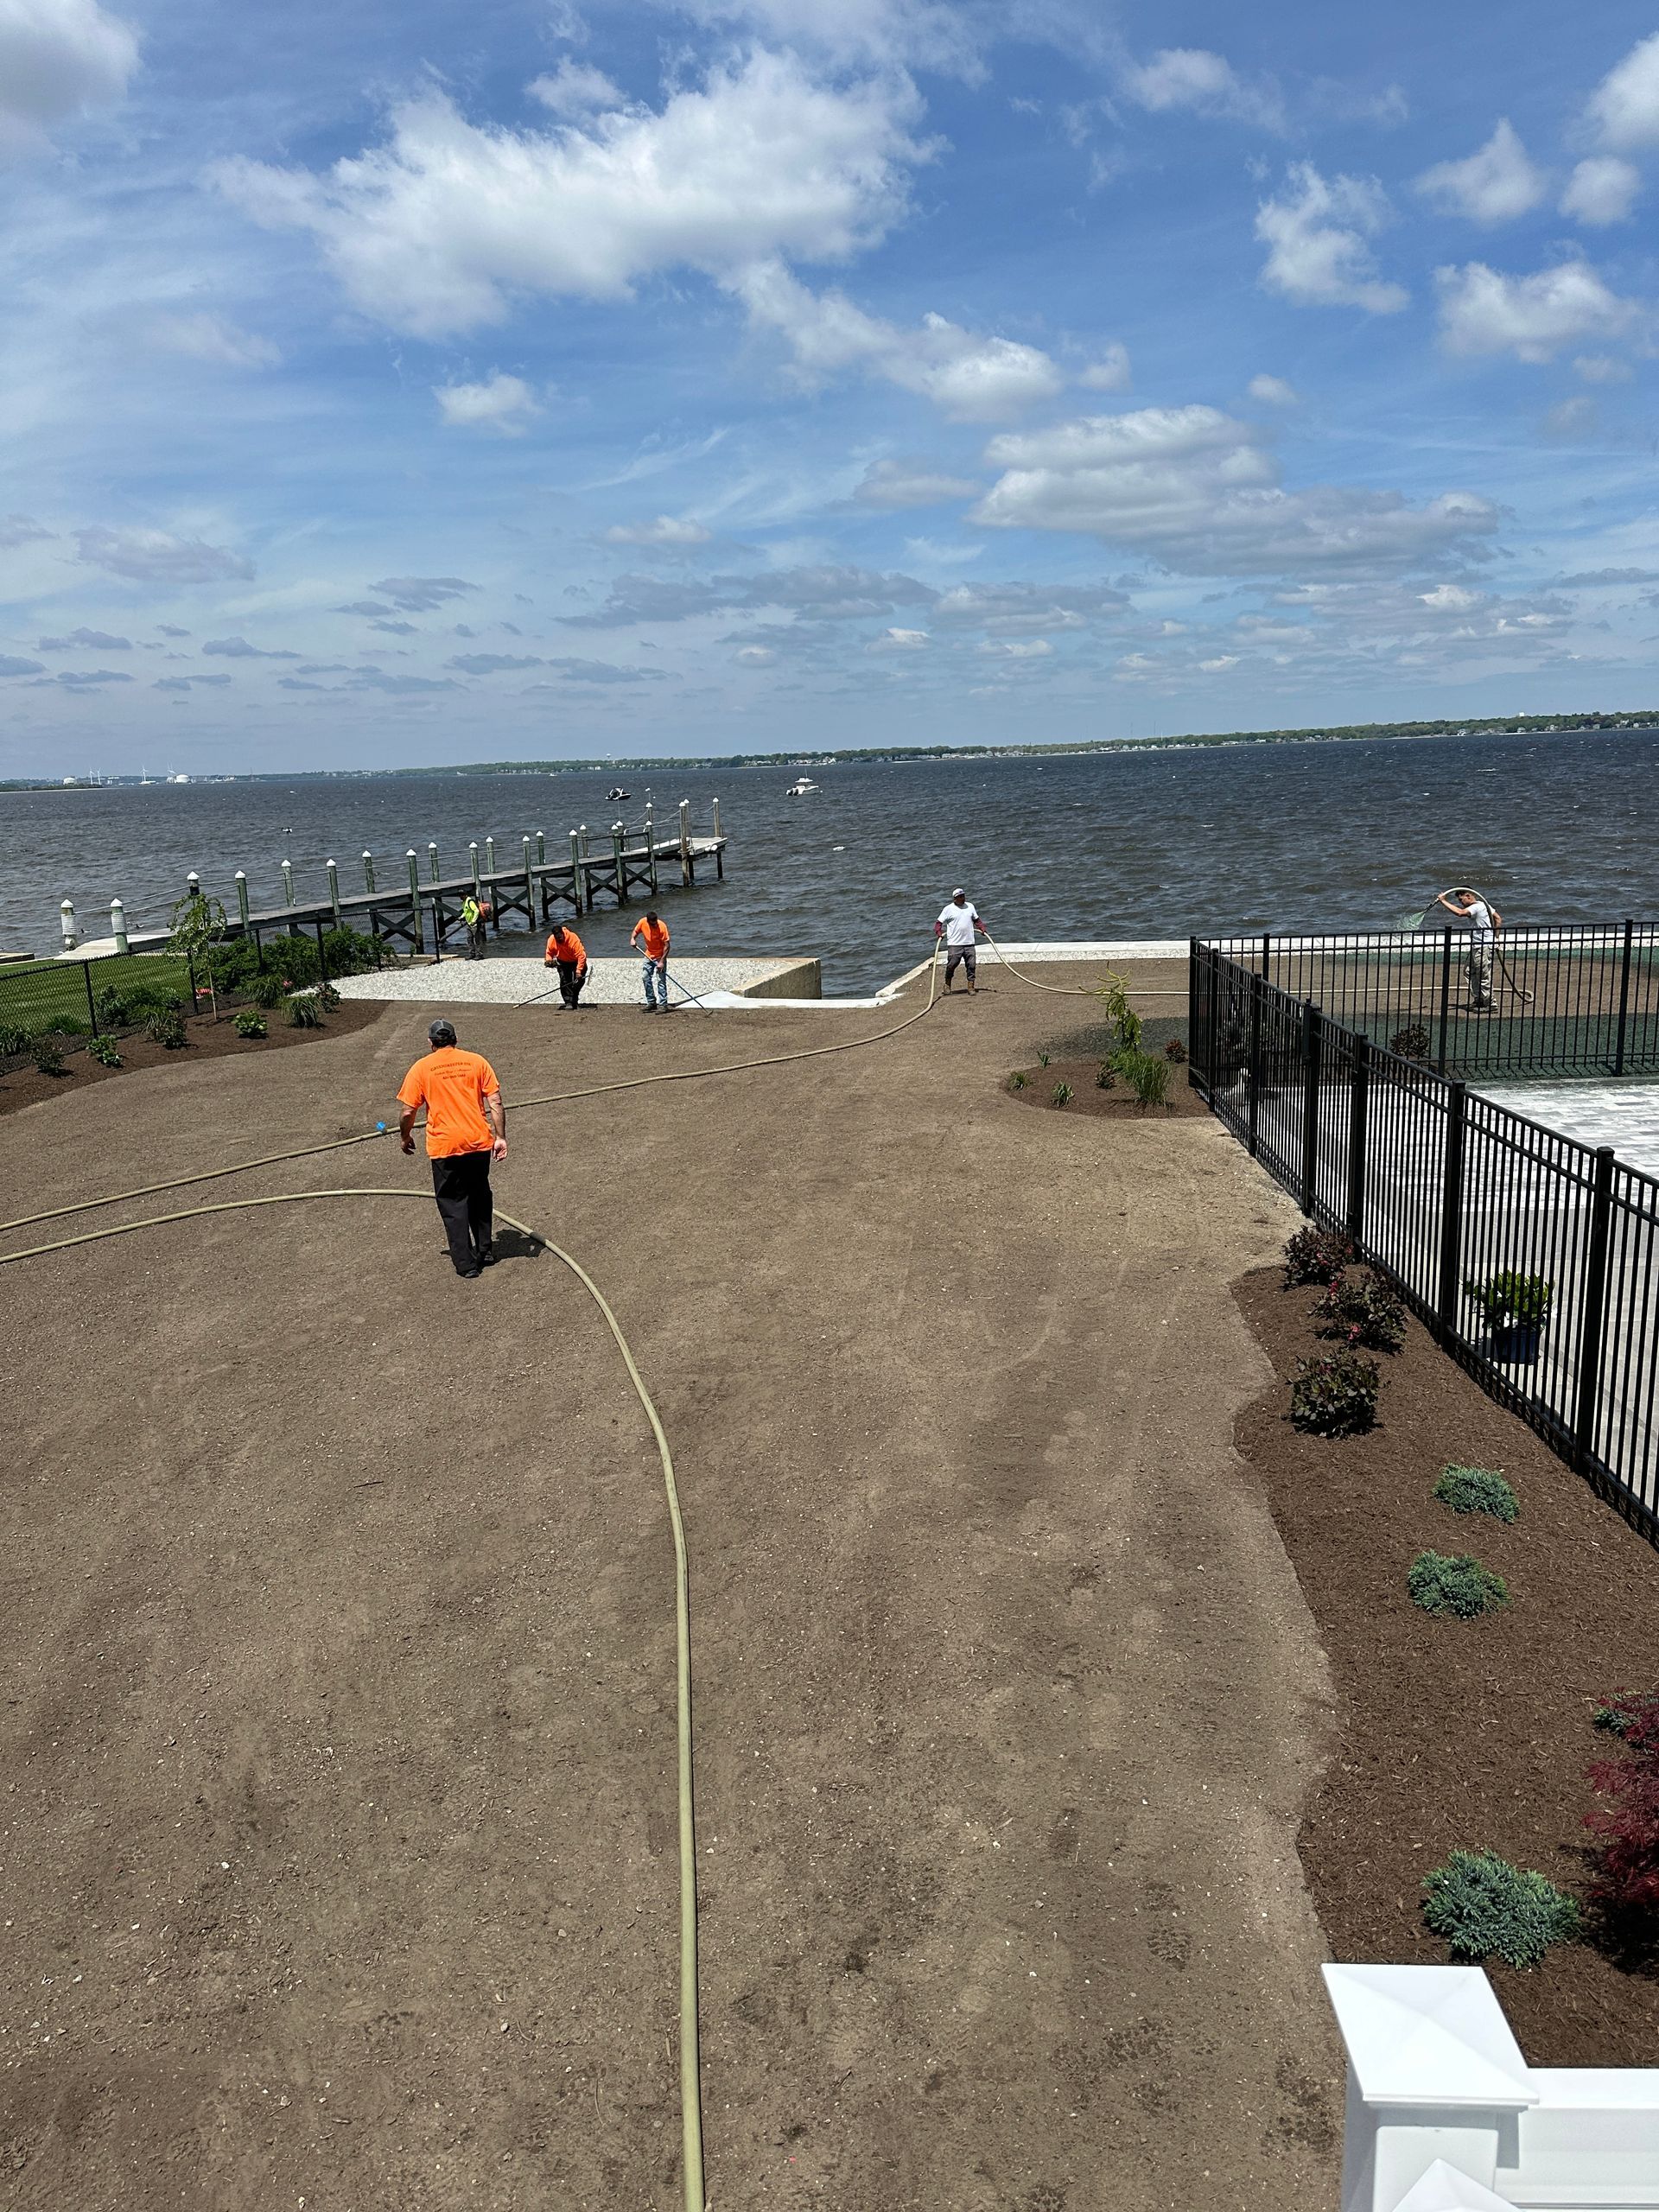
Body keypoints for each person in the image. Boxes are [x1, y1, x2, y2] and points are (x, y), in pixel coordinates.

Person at [397, 1017, 506, 1279]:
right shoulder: (476, 1061)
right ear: (455, 1039)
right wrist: (500, 1136)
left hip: (445, 1146)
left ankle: (467, 1264)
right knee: (479, 1194)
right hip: (478, 1141)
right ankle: (485, 1250)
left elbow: (407, 1111)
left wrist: (405, 1136)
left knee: (453, 1202)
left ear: (430, 1042)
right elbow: (496, 1102)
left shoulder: (422, 1068)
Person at [1435, 886, 1501, 1011]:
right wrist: (1496, 938)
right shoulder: (1483, 904)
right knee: (1469, 971)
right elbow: (1498, 918)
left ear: (1469, 896)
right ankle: (1479, 999)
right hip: (1478, 946)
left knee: (1483, 975)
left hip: (1483, 946)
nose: (1461, 903)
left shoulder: (1476, 906)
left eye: (1461, 900)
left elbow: (1460, 913)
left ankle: (1490, 1004)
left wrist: (1443, 901)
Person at [935, 887, 988, 994]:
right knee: (952, 964)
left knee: (971, 965)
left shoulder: (970, 906)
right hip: (955, 943)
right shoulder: (948, 909)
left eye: (963, 896)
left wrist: (982, 928)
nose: (962, 898)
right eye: (960, 897)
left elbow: (976, 920)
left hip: (969, 942)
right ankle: (947, 984)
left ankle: (971, 986)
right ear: (955, 899)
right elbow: (938, 923)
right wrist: (939, 933)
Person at [631, 909, 671, 1012]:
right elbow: (635, 931)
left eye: (655, 923)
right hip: (648, 954)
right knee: (645, 977)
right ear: (648, 922)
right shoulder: (642, 922)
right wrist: (633, 939)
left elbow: (667, 946)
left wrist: (661, 961)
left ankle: (663, 1005)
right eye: (652, 925)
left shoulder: (662, 926)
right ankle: (651, 1002)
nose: (654, 926)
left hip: (660, 956)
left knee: (661, 980)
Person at [544, 920, 588, 1009]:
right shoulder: (551, 940)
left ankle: (574, 998)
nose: (559, 939)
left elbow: (581, 955)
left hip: (576, 961)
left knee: (579, 980)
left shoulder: (573, 938)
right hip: (562, 961)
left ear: (563, 934)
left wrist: (579, 971)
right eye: (557, 938)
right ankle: (569, 1002)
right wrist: (549, 961)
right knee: (565, 980)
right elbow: (549, 953)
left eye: (560, 937)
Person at [461, 892, 486, 960]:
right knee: (469, 938)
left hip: (475, 923)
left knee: (477, 939)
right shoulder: (464, 902)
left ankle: (480, 954)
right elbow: (466, 912)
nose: (461, 897)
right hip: (469, 923)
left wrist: (473, 921)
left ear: (466, 895)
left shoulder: (470, 901)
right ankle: (472, 953)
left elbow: (476, 911)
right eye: (460, 895)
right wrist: (461, 917)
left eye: (462, 895)